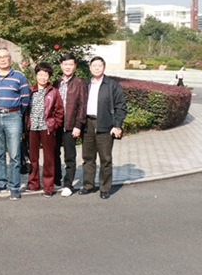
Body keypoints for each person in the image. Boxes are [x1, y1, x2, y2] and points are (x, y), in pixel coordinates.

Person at [79, 56, 127, 199]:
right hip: (87, 124)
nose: (97, 68)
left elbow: (121, 106)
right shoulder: (85, 84)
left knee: (105, 158)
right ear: (90, 67)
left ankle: (105, 188)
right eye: (94, 65)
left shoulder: (112, 85)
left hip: (105, 124)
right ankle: (88, 185)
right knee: (88, 157)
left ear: (104, 67)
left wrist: (117, 125)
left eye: (99, 66)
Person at [0, 46, 30, 200]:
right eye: (0, 57)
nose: (3, 60)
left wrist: (17, 112)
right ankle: (0, 182)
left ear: (10, 59)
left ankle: (14, 186)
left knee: (14, 154)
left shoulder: (19, 76)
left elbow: (25, 99)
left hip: (13, 116)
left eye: (5, 57)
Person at [26, 62, 64, 197]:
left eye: (45, 75)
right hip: (32, 128)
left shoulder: (54, 92)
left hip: (47, 128)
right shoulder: (30, 91)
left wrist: (54, 125)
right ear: (36, 75)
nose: (42, 78)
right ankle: (33, 183)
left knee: (49, 158)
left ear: (49, 77)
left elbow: (59, 111)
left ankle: (48, 187)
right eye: (40, 74)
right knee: (33, 157)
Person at [53, 52, 87, 197]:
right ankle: (56, 179)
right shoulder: (56, 82)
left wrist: (78, 125)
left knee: (70, 156)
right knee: (54, 153)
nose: (68, 67)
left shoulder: (80, 83)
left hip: (70, 125)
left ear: (75, 66)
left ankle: (68, 184)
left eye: (70, 64)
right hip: (56, 125)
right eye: (65, 64)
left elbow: (82, 106)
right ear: (61, 65)